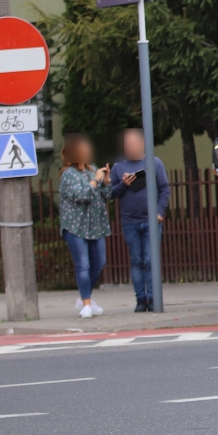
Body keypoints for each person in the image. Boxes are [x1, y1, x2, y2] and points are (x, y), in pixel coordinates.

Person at [110, 128, 170, 312]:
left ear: (142, 144)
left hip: (151, 221)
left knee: (150, 260)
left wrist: (160, 212)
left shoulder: (154, 163)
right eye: (127, 144)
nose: (130, 147)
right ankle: (140, 300)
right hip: (130, 222)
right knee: (137, 261)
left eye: (133, 143)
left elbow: (164, 189)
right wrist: (123, 184)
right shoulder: (118, 167)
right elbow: (110, 194)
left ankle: (152, 299)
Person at [58, 134, 111, 319]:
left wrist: (105, 182)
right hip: (75, 227)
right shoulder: (68, 175)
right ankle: (87, 303)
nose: (88, 151)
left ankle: (84, 298)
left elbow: (104, 197)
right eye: (84, 149)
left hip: (96, 226)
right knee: (83, 264)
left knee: (99, 263)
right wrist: (95, 181)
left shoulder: (92, 170)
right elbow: (82, 196)